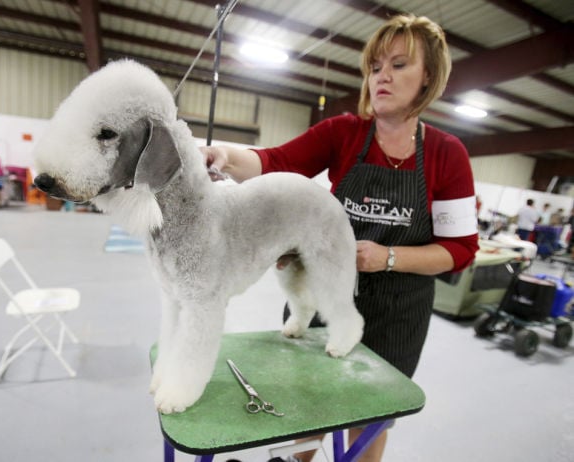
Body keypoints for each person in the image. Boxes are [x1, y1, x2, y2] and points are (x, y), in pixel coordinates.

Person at [202, 14, 478, 462]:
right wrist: (224, 156)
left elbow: (461, 251)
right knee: (304, 404)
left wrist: (387, 256)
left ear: (428, 76)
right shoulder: (343, 133)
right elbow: (274, 161)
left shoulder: (449, 155)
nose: (381, 76)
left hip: (397, 315)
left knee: (369, 420)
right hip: (320, 297)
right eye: (375, 66)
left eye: (399, 64)